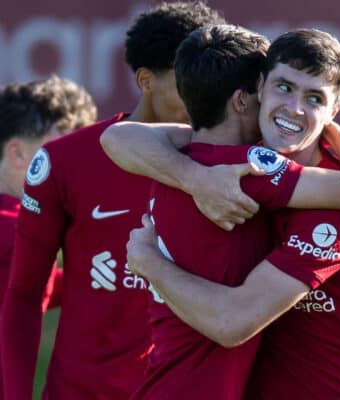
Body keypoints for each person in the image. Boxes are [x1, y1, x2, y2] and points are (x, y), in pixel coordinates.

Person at [112, 28, 340, 399]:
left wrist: (149, 261)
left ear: (334, 112)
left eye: (314, 98)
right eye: (284, 87)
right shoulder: (239, 167)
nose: (294, 108)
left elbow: (232, 320)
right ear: (259, 87)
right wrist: (196, 179)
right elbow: (119, 138)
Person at [0, 2, 229, 399]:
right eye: (186, 82)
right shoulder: (65, 162)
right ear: (146, 80)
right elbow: (23, 294)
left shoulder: (233, 164)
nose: (203, 98)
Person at [0, 75, 97, 399]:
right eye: (66, 151)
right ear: (16, 154)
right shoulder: (16, 233)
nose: (82, 166)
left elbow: (40, 284)